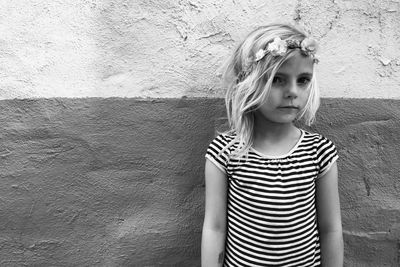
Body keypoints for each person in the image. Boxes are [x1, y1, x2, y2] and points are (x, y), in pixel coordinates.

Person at [201, 23, 343, 267]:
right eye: (277, 79)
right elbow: (214, 228)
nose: (292, 92)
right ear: (249, 82)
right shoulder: (225, 152)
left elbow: (330, 229)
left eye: (303, 80)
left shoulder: (319, 152)